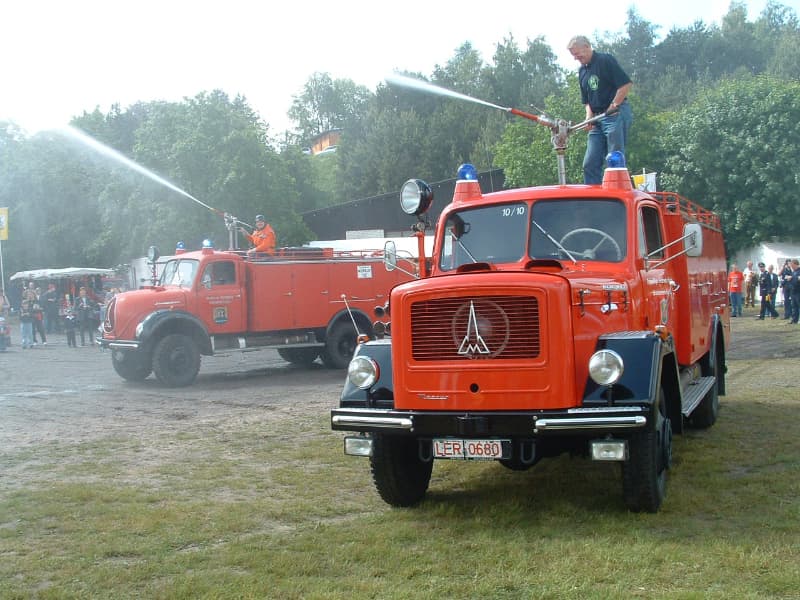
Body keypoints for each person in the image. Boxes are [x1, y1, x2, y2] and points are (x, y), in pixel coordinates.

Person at [568, 35, 633, 184]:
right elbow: (587, 101)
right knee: (589, 163)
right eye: (573, 55)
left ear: (587, 46)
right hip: (596, 119)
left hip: (614, 114)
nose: (576, 58)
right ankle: (592, 199)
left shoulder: (605, 60)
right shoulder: (582, 72)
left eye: (577, 54)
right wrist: (588, 118)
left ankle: (616, 195)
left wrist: (614, 105)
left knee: (614, 159)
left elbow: (625, 84)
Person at [784, 258, 800, 325]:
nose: (791, 267)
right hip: (793, 291)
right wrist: (789, 278)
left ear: (795, 264)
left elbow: (798, 279)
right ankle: (794, 320)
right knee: (794, 306)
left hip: (798, 291)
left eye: (792, 265)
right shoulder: (793, 272)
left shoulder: (799, 271)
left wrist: (792, 278)